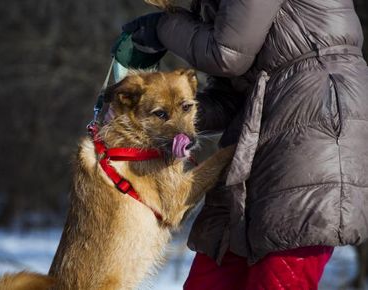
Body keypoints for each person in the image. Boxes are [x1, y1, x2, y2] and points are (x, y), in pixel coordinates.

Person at [122, 0, 368, 289]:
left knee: (277, 273)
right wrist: (158, 115)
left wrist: (162, 27)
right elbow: (230, 100)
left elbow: (228, 55)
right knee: (211, 276)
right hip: (259, 136)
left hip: (315, 127)